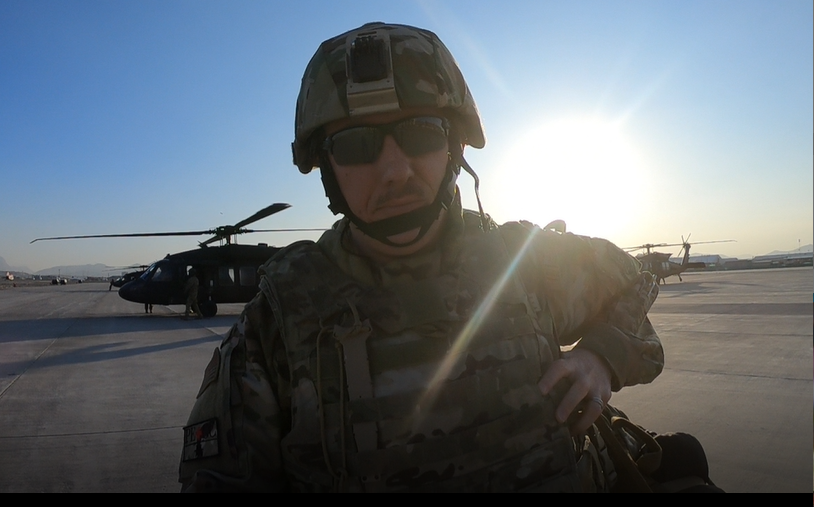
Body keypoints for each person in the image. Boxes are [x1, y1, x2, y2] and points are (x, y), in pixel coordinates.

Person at [178, 22, 715, 493]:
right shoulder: (278, 318)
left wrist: (602, 355)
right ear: (326, 167)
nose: (394, 171)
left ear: (455, 147)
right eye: (358, 146)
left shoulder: (523, 262)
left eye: (419, 134)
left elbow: (634, 281)